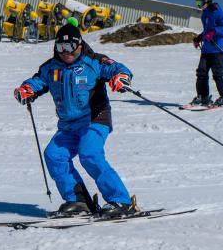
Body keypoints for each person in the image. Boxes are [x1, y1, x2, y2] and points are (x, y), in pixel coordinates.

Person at [13, 23, 137, 218]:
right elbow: (36, 81)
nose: (65, 52)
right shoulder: (51, 67)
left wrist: (121, 77)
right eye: (60, 47)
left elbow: (117, 68)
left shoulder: (93, 62)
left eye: (70, 47)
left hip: (94, 118)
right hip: (69, 125)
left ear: (79, 45)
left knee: (89, 154)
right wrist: (26, 89)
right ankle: (78, 201)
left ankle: (121, 201)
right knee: (54, 155)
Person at [190, 0, 223, 107]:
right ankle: (203, 97)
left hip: (219, 48)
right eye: (197, 3)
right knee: (201, 72)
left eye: (199, 3)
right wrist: (199, 38)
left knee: (217, 73)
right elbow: (207, 31)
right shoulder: (205, 14)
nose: (198, 6)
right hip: (207, 48)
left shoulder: (216, 11)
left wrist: (215, 31)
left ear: (207, 1)